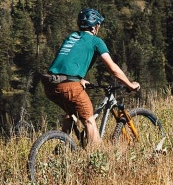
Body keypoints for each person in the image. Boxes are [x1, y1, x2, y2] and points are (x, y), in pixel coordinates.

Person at [42, 8, 139, 148]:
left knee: (72, 114)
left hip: (50, 83)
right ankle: (96, 160)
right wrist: (130, 84)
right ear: (95, 26)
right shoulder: (96, 41)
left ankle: (63, 149)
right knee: (89, 120)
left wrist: (79, 79)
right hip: (68, 85)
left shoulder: (71, 37)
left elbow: (65, 60)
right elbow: (113, 68)